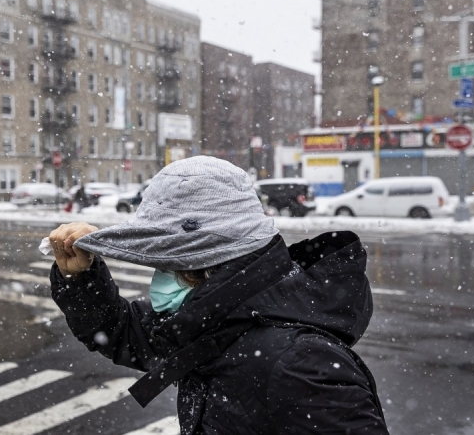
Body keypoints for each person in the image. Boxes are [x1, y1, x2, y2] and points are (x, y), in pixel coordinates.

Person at [48, 156, 389, 433]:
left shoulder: (300, 366)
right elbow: (122, 332)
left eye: (168, 265)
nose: (158, 279)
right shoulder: (214, 319)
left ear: (211, 263)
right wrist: (79, 278)